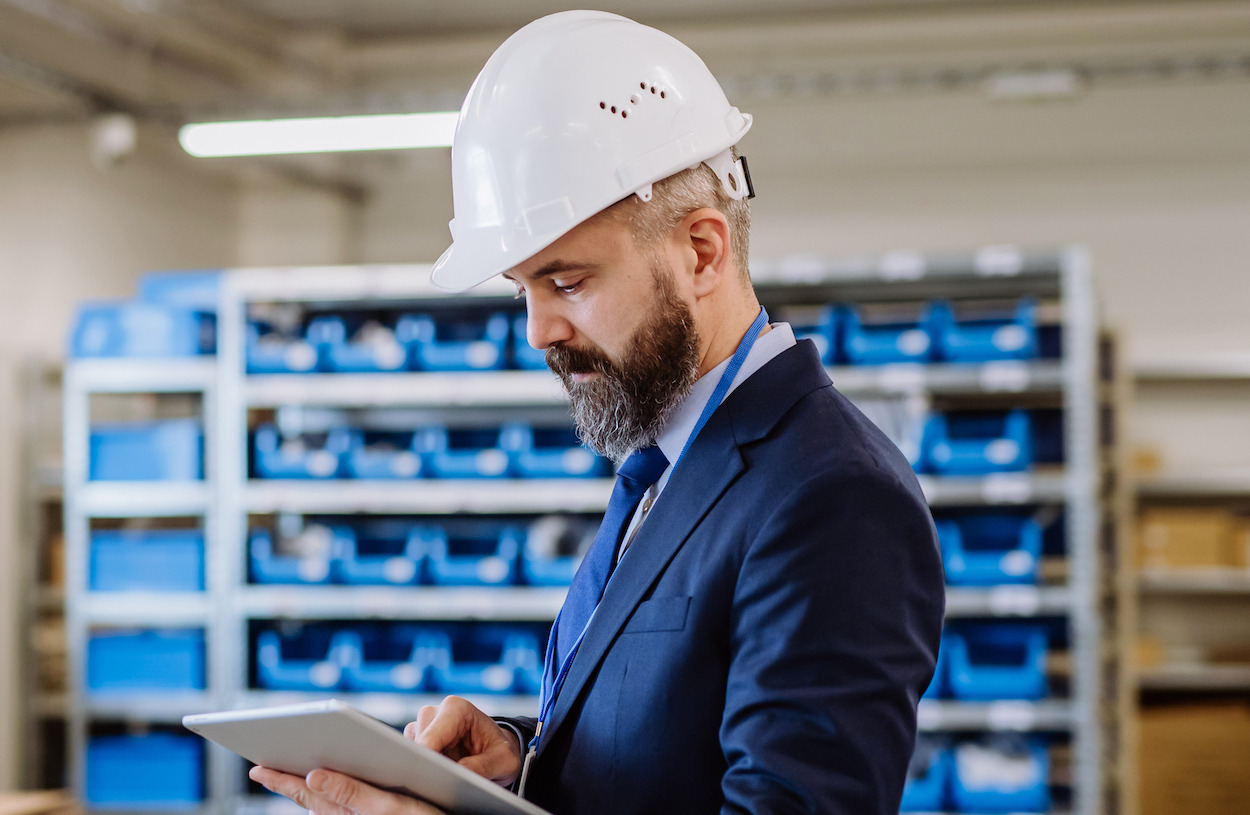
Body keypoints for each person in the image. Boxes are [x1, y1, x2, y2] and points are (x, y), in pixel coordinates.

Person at [252, 10, 944, 815]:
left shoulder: (832, 497)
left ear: (702, 251)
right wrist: (522, 758)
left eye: (568, 282)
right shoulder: (664, 463)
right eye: (522, 289)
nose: (538, 331)